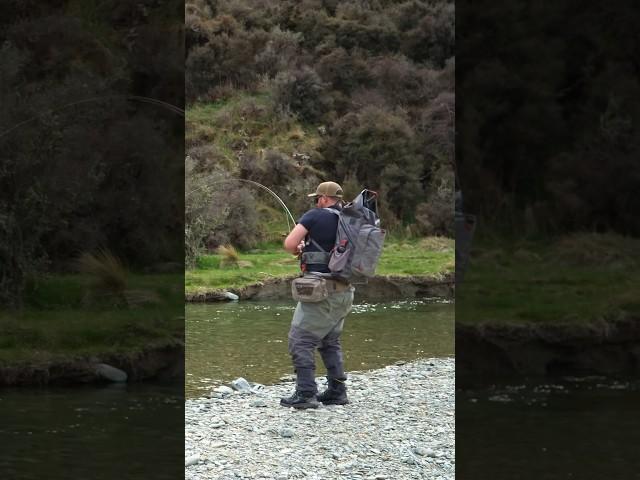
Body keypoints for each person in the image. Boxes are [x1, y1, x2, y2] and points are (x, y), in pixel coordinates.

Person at [280, 181, 354, 409]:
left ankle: (305, 394)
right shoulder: (351, 219)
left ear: (323, 198)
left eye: (317, 198)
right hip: (345, 291)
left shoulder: (315, 215)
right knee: (329, 341)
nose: (316, 202)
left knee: (300, 340)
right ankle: (337, 391)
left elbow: (289, 244)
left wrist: (299, 249)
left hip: (322, 292)